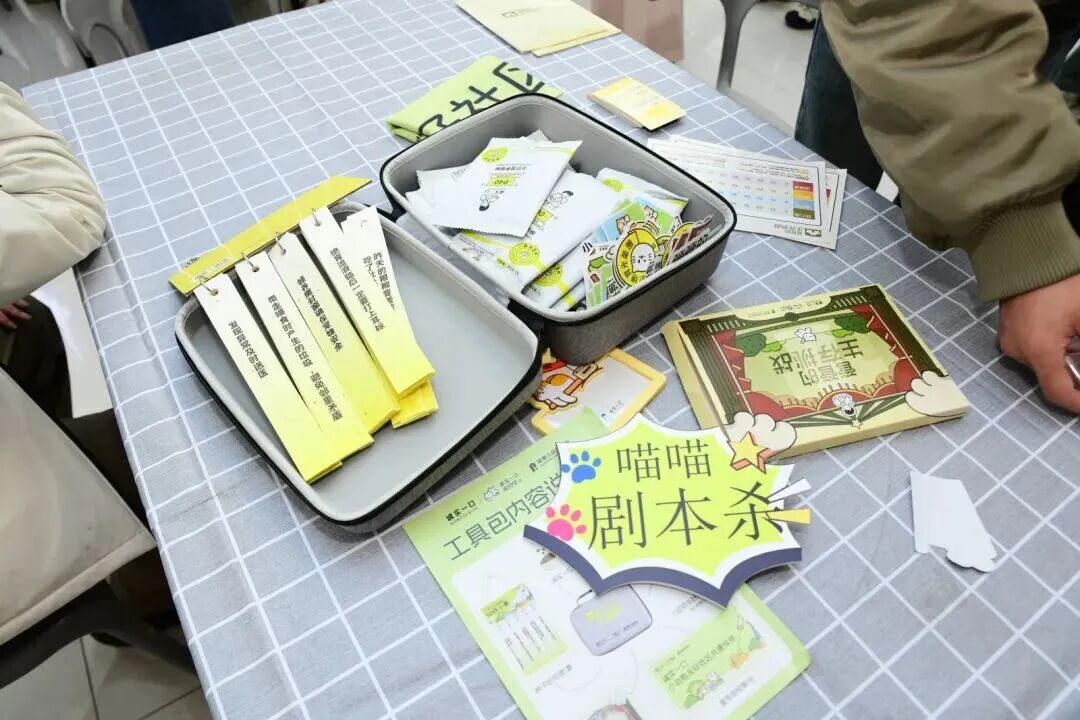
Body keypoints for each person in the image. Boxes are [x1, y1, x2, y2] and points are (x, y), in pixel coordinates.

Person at [795, 0, 1080, 413]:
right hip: (901, 20)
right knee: (817, 210)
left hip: (1037, 21)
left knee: (895, 243)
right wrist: (1021, 237)